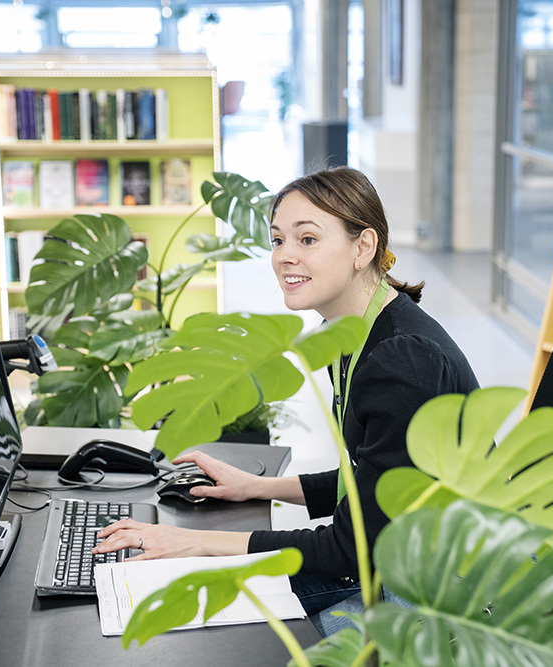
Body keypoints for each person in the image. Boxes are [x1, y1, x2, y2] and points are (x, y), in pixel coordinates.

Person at [94, 166, 478, 633]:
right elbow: (372, 484)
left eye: (308, 240)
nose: (285, 257)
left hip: (446, 596)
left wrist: (194, 542)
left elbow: (353, 546)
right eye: (278, 241)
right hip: (399, 559)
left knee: (232, 628)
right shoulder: (356, 331)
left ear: (364, 247)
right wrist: (256, 487)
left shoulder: (402, 359)